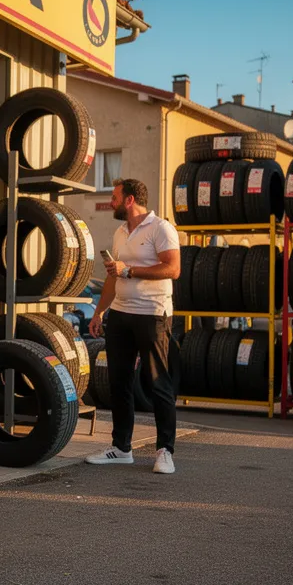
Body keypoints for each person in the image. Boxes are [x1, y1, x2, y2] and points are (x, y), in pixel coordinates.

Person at [84, 178, 181, 475]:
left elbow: (173, 268)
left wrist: (130, 270)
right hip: (120, 314)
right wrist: (99, 312)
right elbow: (114, 277)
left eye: (115, 197)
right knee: (119, 382)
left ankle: (165, 451)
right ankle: (121, 448)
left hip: (152, 314)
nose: (111, 202)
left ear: (129, 200)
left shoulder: (161, 228)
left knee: (158, 383)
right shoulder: (120, 232)